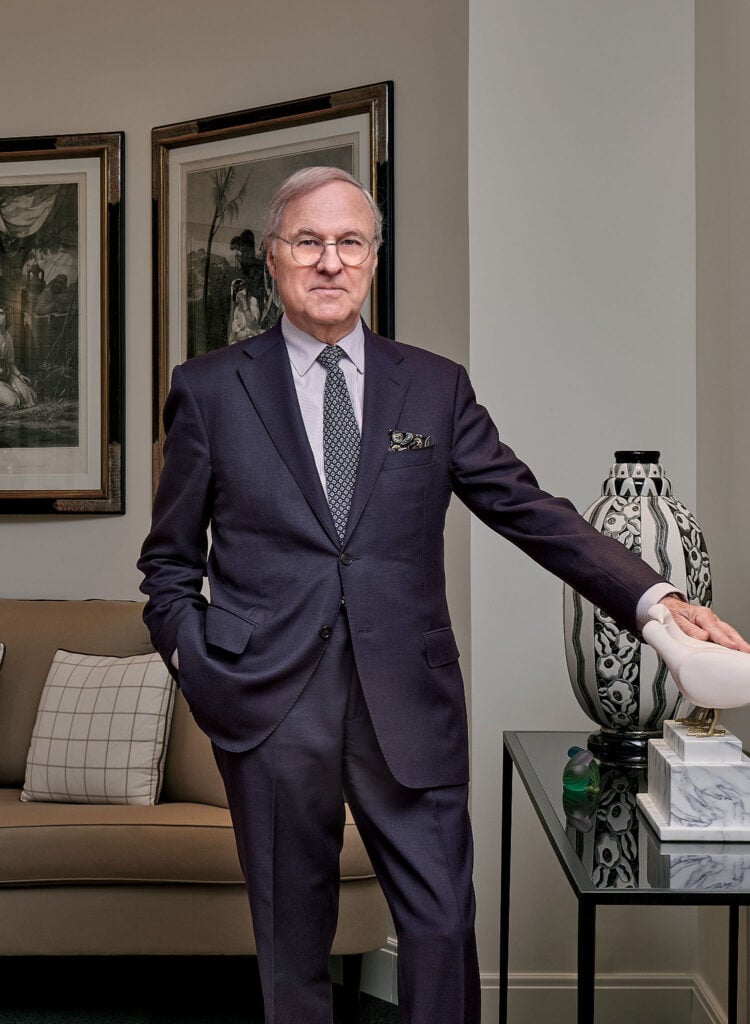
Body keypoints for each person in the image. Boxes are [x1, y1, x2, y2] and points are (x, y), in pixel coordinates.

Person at [138, 166, 750, 1024]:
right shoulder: (208, 389)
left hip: (411, 701)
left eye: (349, 241)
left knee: (439, 932)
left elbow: (528, 508)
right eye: (307, 241)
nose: (329, 261)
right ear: (273, 258)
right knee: (290, 947)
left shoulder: (433, 384)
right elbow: (166, 566)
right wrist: (200, 666)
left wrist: (652, 600)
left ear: (373, 258)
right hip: (268, 706)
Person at [0, 305, 36, 409]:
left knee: (30, 396)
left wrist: (20, 376)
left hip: (5, 374)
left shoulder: (7, 336)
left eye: (1, 313)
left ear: (7, 317)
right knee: (13, 403)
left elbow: (11, 363)